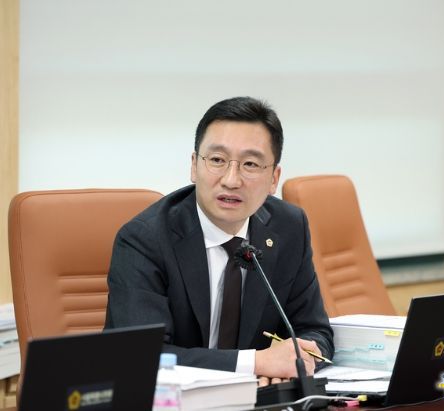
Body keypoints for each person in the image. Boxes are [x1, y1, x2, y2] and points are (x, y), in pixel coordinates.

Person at [104, 96, 334, 385]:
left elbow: (315, 331)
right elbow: (141, 356)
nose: (231, 180)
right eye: (217, 160)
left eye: (250, 164)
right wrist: (256, 363)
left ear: (274, 178)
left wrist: (297, 361)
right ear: (194, 166)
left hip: (261, 397)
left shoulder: (289, 228)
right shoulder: (145, 239)